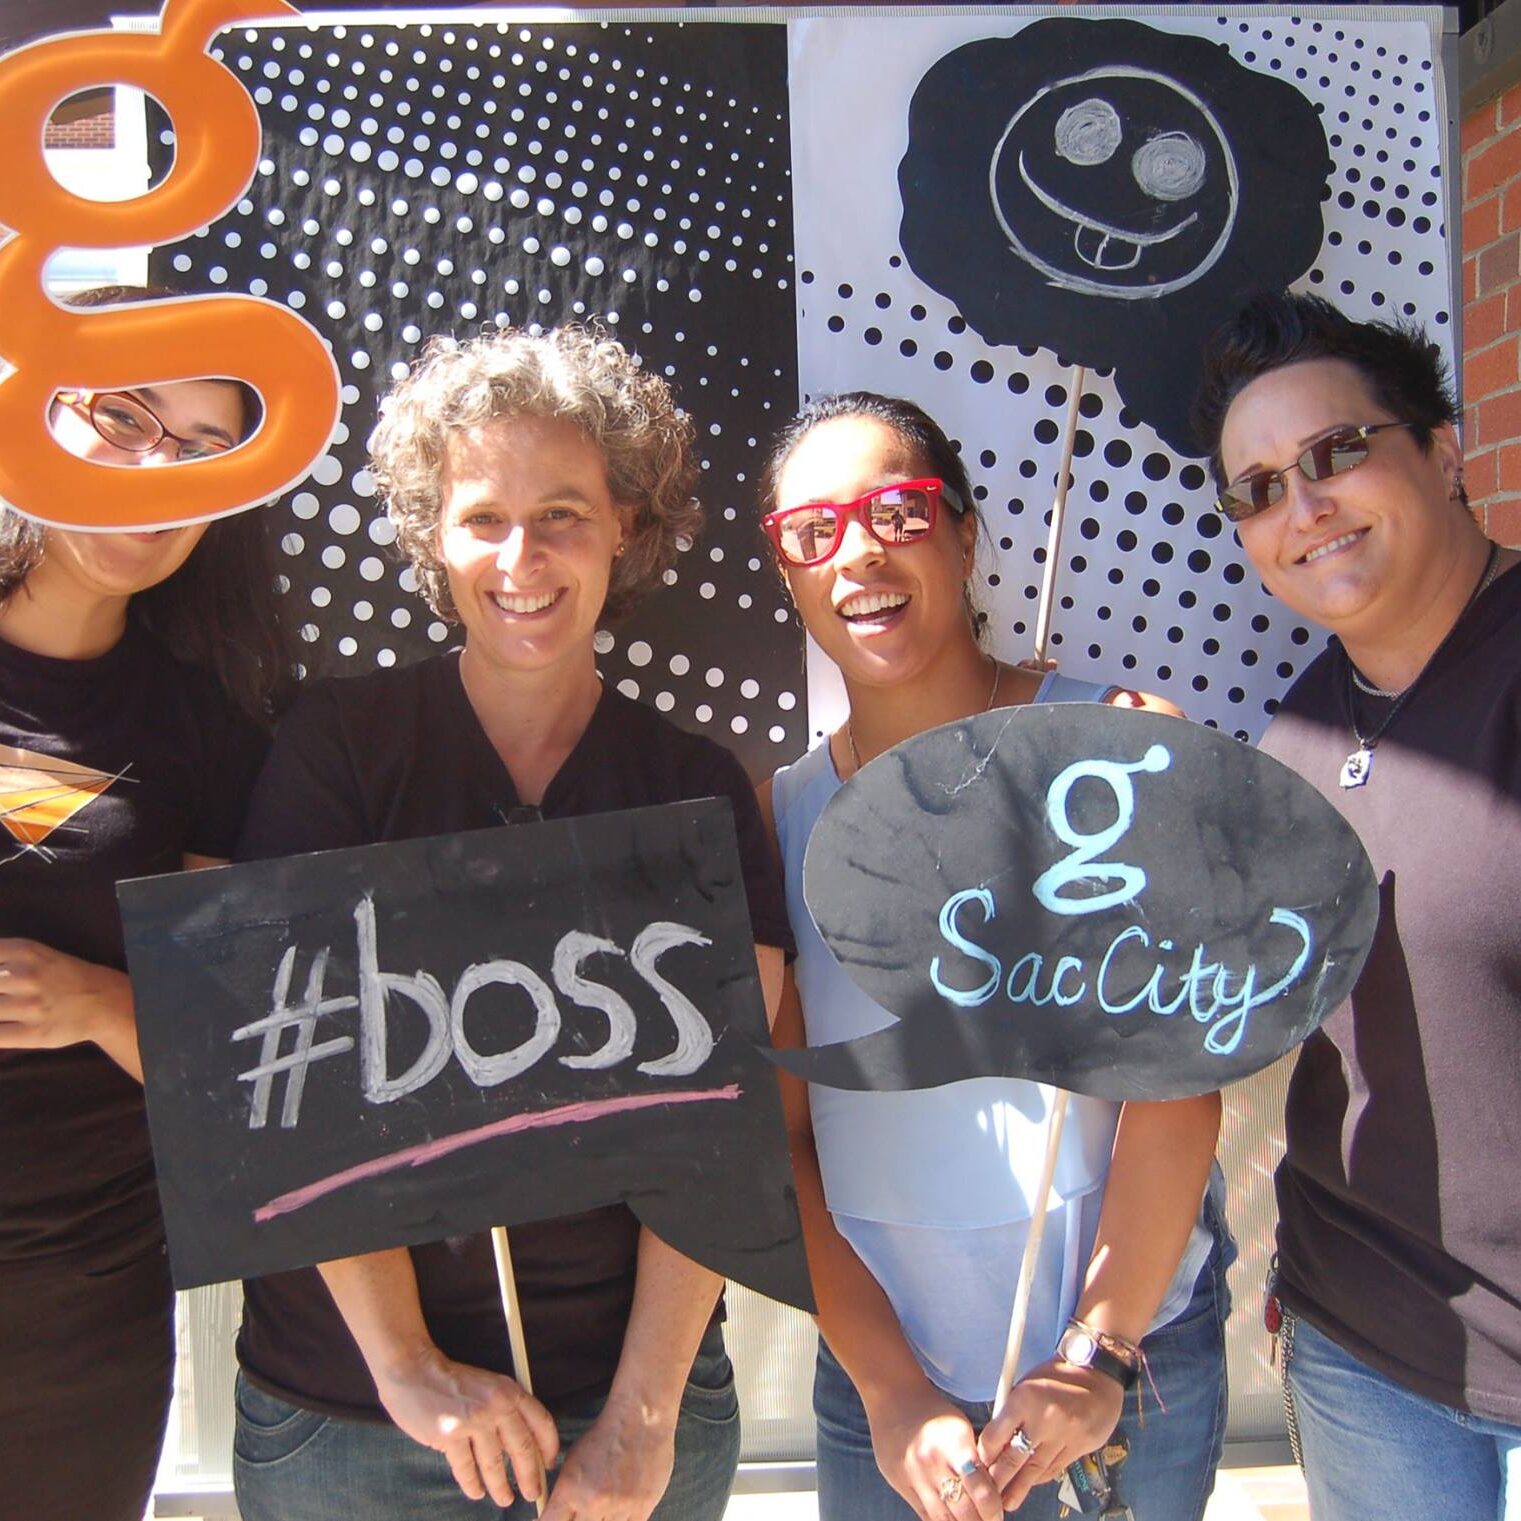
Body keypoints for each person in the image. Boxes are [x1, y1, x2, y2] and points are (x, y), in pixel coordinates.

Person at [230, 324, 793, 1521]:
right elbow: (288, 1085)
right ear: (432, 536)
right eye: (482, 516)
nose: (520, 557)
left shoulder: (693, 788)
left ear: (624, 526)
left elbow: (719, 1124)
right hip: (355, 1420)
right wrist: (410, 1369)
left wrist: (644, 1414)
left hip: (626, 1418)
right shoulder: (337, 751)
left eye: (562, 515)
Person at [758, 392, 1232, 1521]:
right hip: (887, 1393)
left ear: (965, 533)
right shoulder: (774, 821)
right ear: (787, 574)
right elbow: (785, 1144)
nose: (857, 551)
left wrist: (1095, 1356)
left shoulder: (1112, 747)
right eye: (812, 530)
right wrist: (891, 1392)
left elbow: (1178, 1087)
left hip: (1124, 1376)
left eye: (897, 510)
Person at [1194, 291, 1521, 1520]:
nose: (1305, 506)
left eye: (1338, 453)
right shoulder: (1294, 737)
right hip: (1366, 1360)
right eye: (1260, 488)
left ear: (1443, 449)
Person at [0, 284, 288, 1521]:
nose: (157, 471)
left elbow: (240, 1047)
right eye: (124, 416)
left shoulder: (210, 730)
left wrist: (88, 1001)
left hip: (80, 1301)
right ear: (40, 411)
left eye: (204, 450)